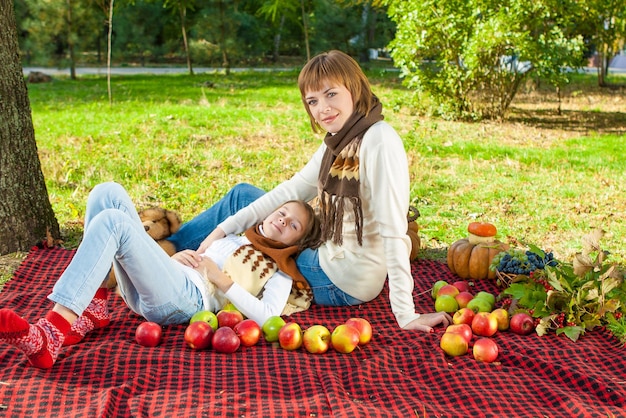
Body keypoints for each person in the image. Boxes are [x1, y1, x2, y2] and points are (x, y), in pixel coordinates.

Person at [168, 50, 452, 333]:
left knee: (247, 219)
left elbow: (393, 230)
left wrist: (406, 314)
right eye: (312, 101)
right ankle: (178, 253)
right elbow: (292, 189)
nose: (322, 109)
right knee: (244, 199)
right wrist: (220, 231)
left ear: (354, 87)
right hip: (329, 249)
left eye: (331, 95)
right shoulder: (340, 138)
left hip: (340, 277)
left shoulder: (379, 142)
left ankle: (168, 257)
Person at [0, 182, 320, 369]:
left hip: (188, 302)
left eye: (293, 225)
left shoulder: (281, 271)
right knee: (106, 193)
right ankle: (94, 306)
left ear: (296, 242)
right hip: (169, 281)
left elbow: (268, 318)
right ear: (268, 212)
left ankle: (51, 333)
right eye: (282, 212)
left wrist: (221, 280)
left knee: (114, 221)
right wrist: (179, 258)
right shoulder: (236, 235)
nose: (283, 221)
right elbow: (207, 250)